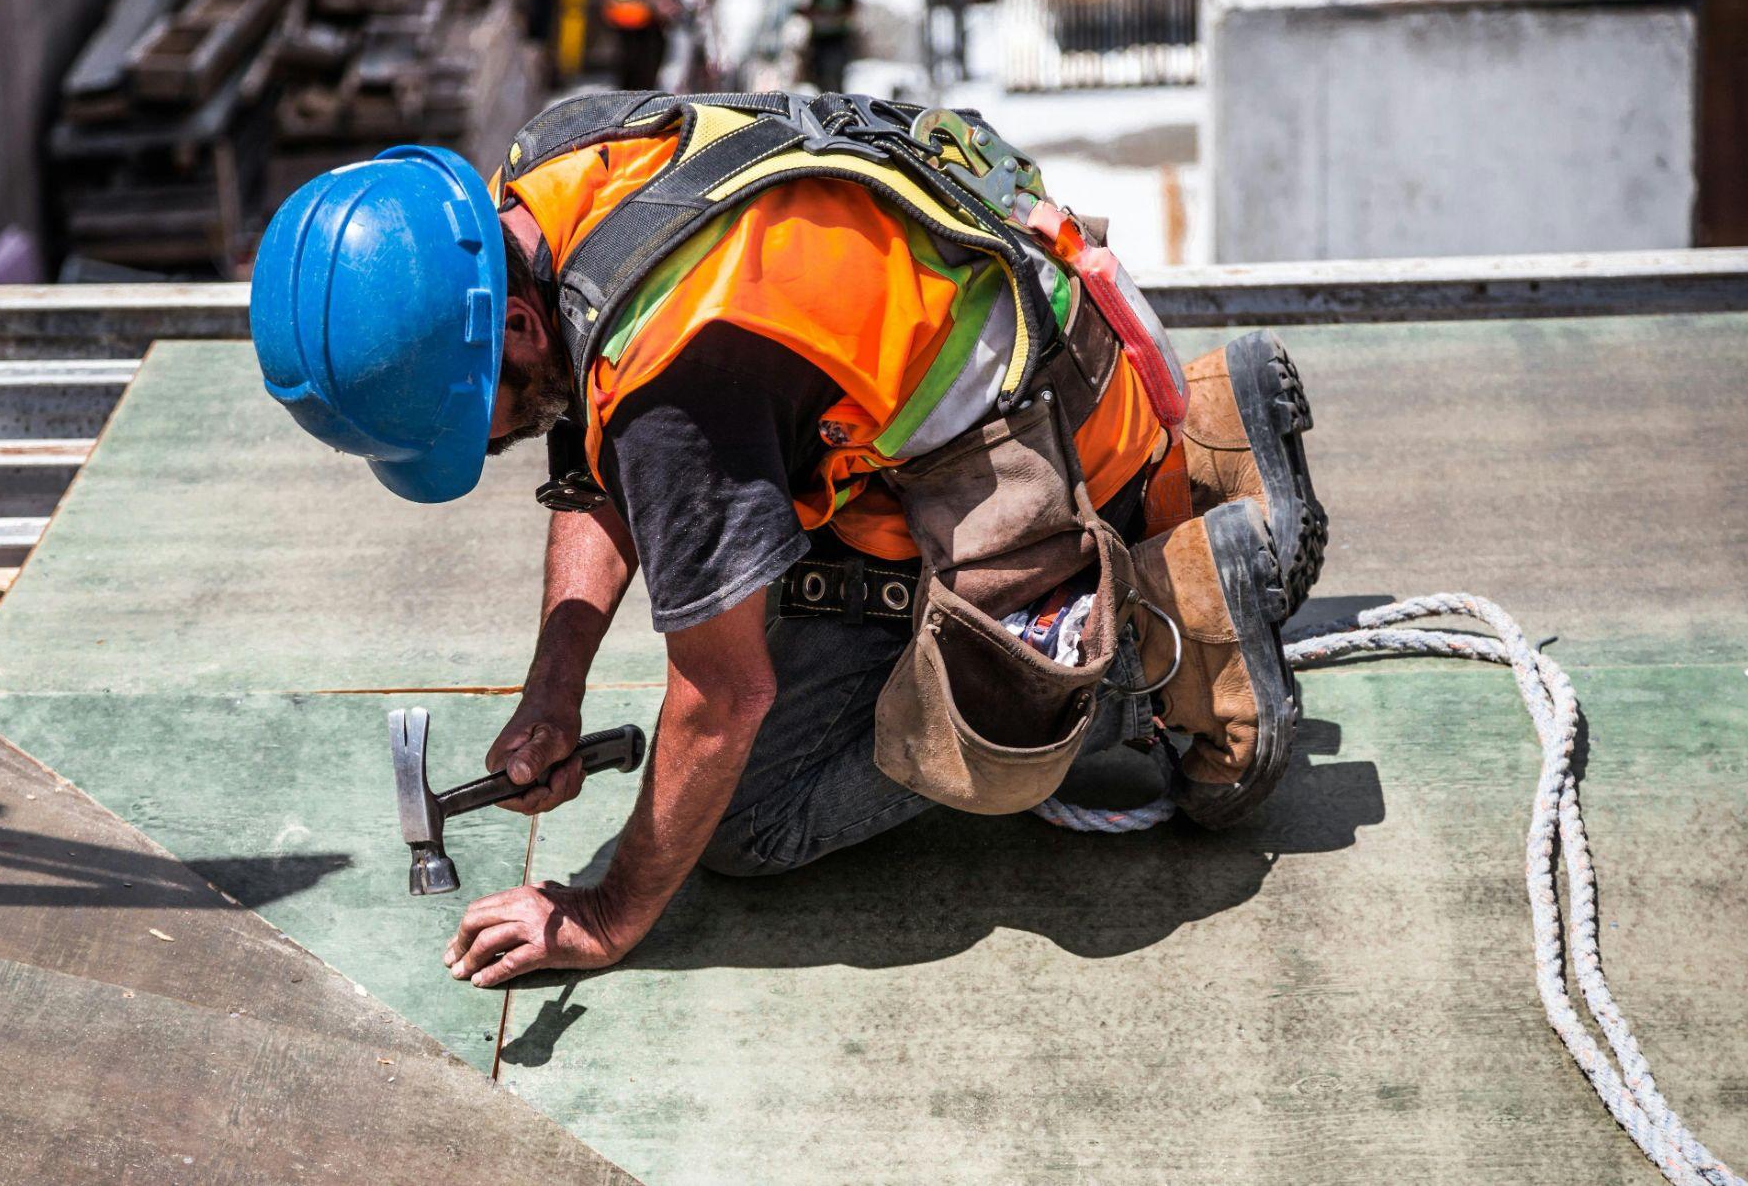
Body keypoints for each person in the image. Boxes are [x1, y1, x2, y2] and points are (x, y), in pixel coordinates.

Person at [249, 91, 1327, 988]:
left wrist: (606, 913)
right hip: (1049, 366)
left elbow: (723, 699)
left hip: (1038, 476)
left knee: (750, 820)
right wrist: (554, 689)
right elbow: (593, 452)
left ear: (516, 327)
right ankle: (1209, 440)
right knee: (740, 582)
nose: (481, 450)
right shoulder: (555, 172)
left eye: (467, 423)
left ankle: (1162, 631)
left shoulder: (679, 379)